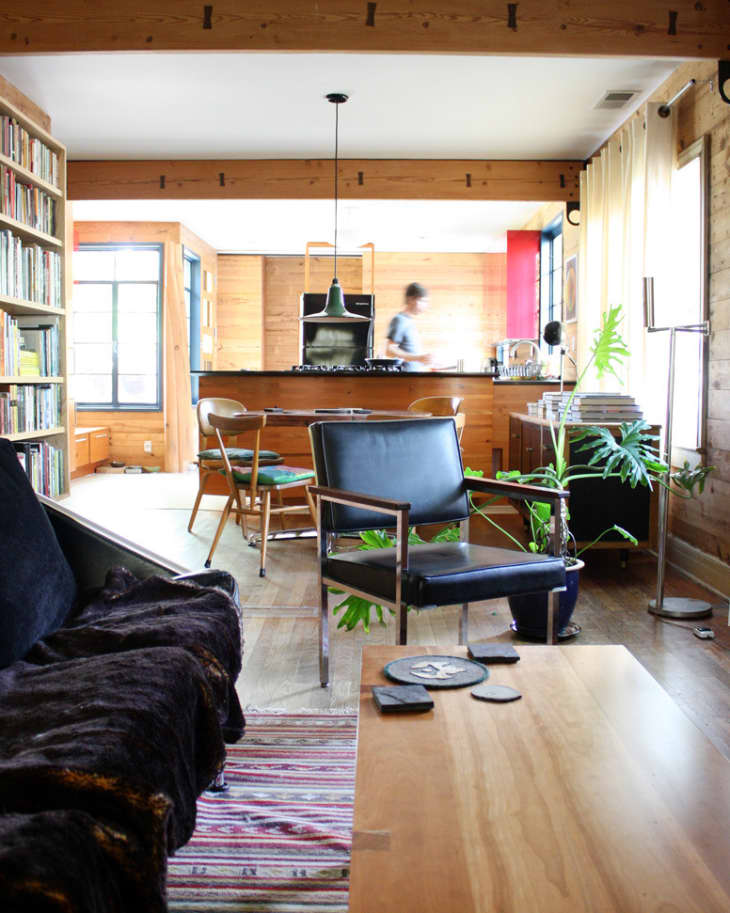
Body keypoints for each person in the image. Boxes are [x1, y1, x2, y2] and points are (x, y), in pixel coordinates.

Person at [385, 282, 434, 371]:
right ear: (411, 300)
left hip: (413, 379)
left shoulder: (409, 321)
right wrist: (418, 358)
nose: (425, 305)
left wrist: (423, 360)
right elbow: (389, 350)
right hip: (405, 381)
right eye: (423, 301)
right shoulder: (399, 320)